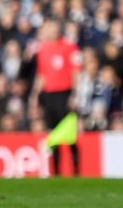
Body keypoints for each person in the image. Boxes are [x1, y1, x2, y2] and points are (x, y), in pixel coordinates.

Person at [32, 19, 82, 177]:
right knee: (53, 135)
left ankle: (76, 171)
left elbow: (76, 72)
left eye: (53, 27)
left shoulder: (70, 47)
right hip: (49, 95)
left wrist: (75, 94)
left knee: (69, 135)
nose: (50, 31)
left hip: (65, 93)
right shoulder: (43, 49)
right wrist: (35, 96)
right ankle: (56, 172)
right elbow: (41, 75)